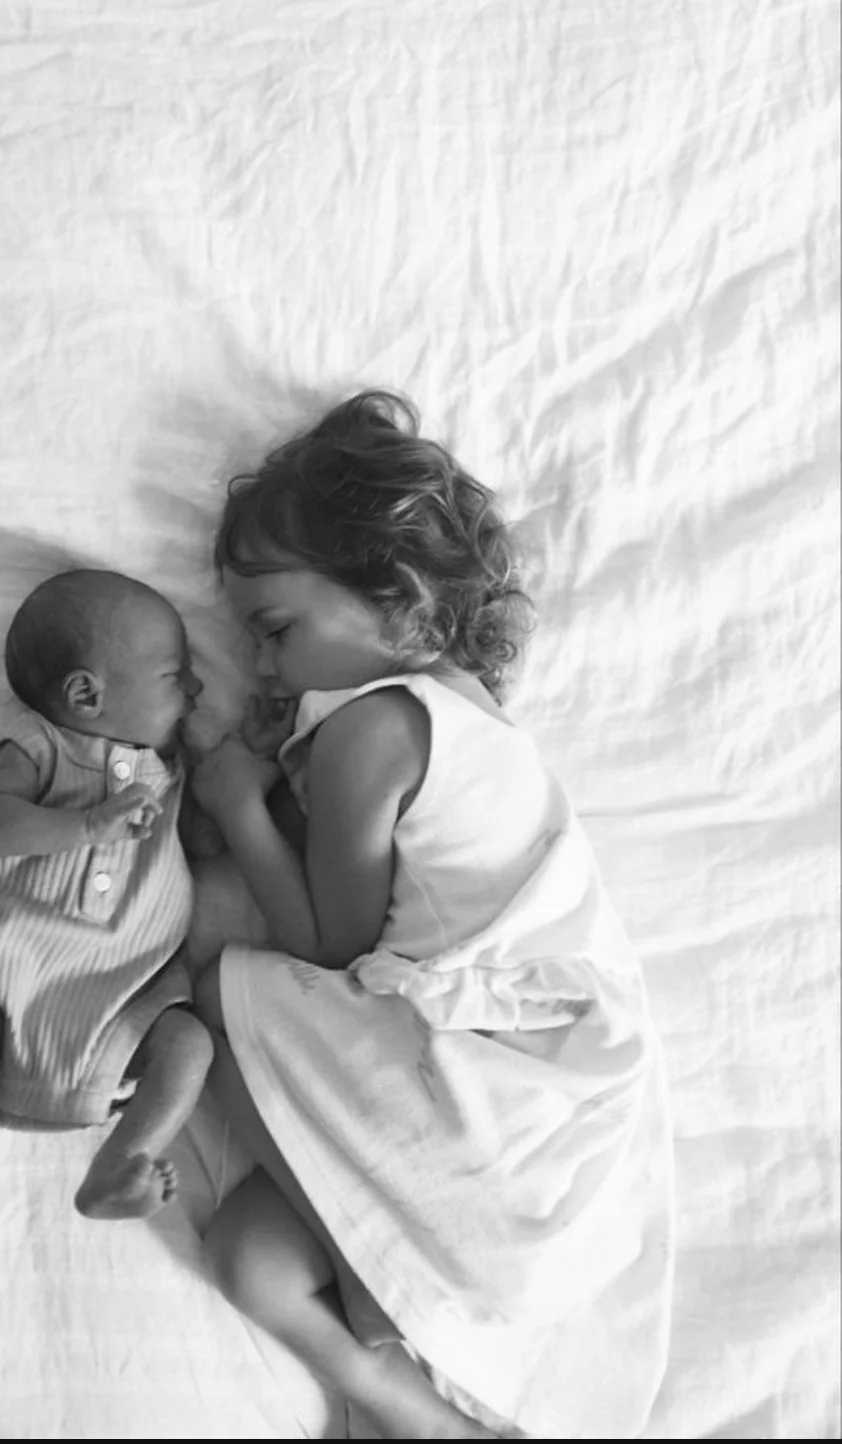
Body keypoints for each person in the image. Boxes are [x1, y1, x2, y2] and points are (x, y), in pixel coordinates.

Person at [190, 391, 674, 1439]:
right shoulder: (468, 710)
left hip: (481, 1103)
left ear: (398, 599)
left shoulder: (371, 736)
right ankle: (415, 1412)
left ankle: (371, 1292)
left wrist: (238, 805)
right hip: (545, 1145)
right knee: (249, 1255)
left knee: (212, 997)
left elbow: (331, 944)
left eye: (274, 631)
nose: (261, 665)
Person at [0, 568, 215, 1220]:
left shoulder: (172, 772)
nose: (196, 688)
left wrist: (253, 759)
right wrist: (85, 826)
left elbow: (207, 842)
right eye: (176, 674)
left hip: (125, 989)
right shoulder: (39, 746)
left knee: (189, 1044)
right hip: (11, 976)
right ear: (85, 694)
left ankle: (122, 1158)